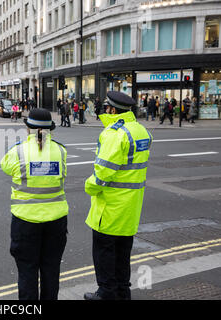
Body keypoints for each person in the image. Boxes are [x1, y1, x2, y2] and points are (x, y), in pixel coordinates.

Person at [84, 91, 152, 300]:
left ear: (113, 109)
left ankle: (105, 293)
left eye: (106, 108)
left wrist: (90, 187)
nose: (105, 111)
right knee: (123, 255)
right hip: (130, 207)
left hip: (110, 208)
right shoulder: (141, 131)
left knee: (104, 254)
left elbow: (103, 172)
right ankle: (123, 292)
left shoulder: (115, 134)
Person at [1, 108, 69, 300]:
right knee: (51, 270)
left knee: (27, 271)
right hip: (56, 221)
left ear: (28, 128)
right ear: (50, 129)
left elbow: (5, 167)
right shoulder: (60, 151)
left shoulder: (17, 151)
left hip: (25, 221)